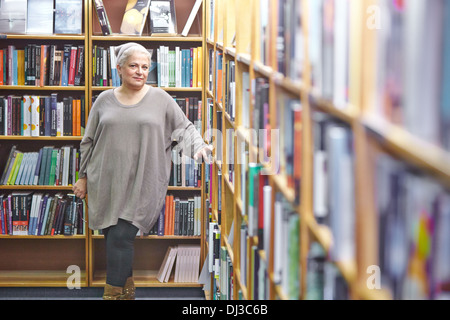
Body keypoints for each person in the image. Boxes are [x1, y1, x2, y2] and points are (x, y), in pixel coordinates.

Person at [72, 42, 212, 300]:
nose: (140, 71)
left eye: (145, 67)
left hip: (144, 182)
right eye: (134, 66)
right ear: (119, 69)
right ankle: (126, 292)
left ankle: (111, 295)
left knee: (123, 236)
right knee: (113, 237)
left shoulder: (161, 99)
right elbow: (88, 141)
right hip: (105, 180)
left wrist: (200, 148)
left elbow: (185, 129)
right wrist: (82, 177)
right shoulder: (103, 100)